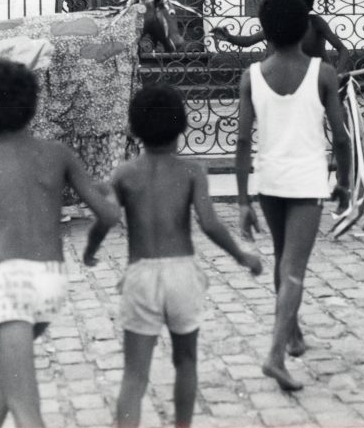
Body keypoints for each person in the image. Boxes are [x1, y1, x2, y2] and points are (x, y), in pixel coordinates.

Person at [83, 85, 263, 428]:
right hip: (182, 274)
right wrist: (242, 256)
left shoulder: (125, 173)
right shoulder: (192, 170)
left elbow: (106, 219)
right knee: (186, 362)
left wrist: (90, 251)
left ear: (135, 127)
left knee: (134, 375)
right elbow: (209, 224)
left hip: (141, 275)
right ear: (181, 125)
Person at [0, 59, 120, 428]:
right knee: (5, 373)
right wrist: (107, 206)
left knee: (24, 405)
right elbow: (107, 214)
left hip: (8, 282)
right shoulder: (57, 154)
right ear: (33, 103)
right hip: (51, 280)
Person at [235, 0, 352, 392]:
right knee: (294, 270)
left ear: (265, 32)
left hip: (269, 180)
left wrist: (243, 201)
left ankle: (294, 333)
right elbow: (341, 138)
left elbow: (242, 143)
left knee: (282, 257)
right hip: (306, 181)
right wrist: (345, 183)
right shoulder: (323, 73)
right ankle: (275, 354)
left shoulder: (251, 76)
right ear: (305, 28)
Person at [211, 0, 351, 74]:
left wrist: (337, 73)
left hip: (319, 77)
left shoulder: (316, 22)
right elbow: (249, 40)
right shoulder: (280, 24)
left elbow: (343, 49)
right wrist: (229, 37)